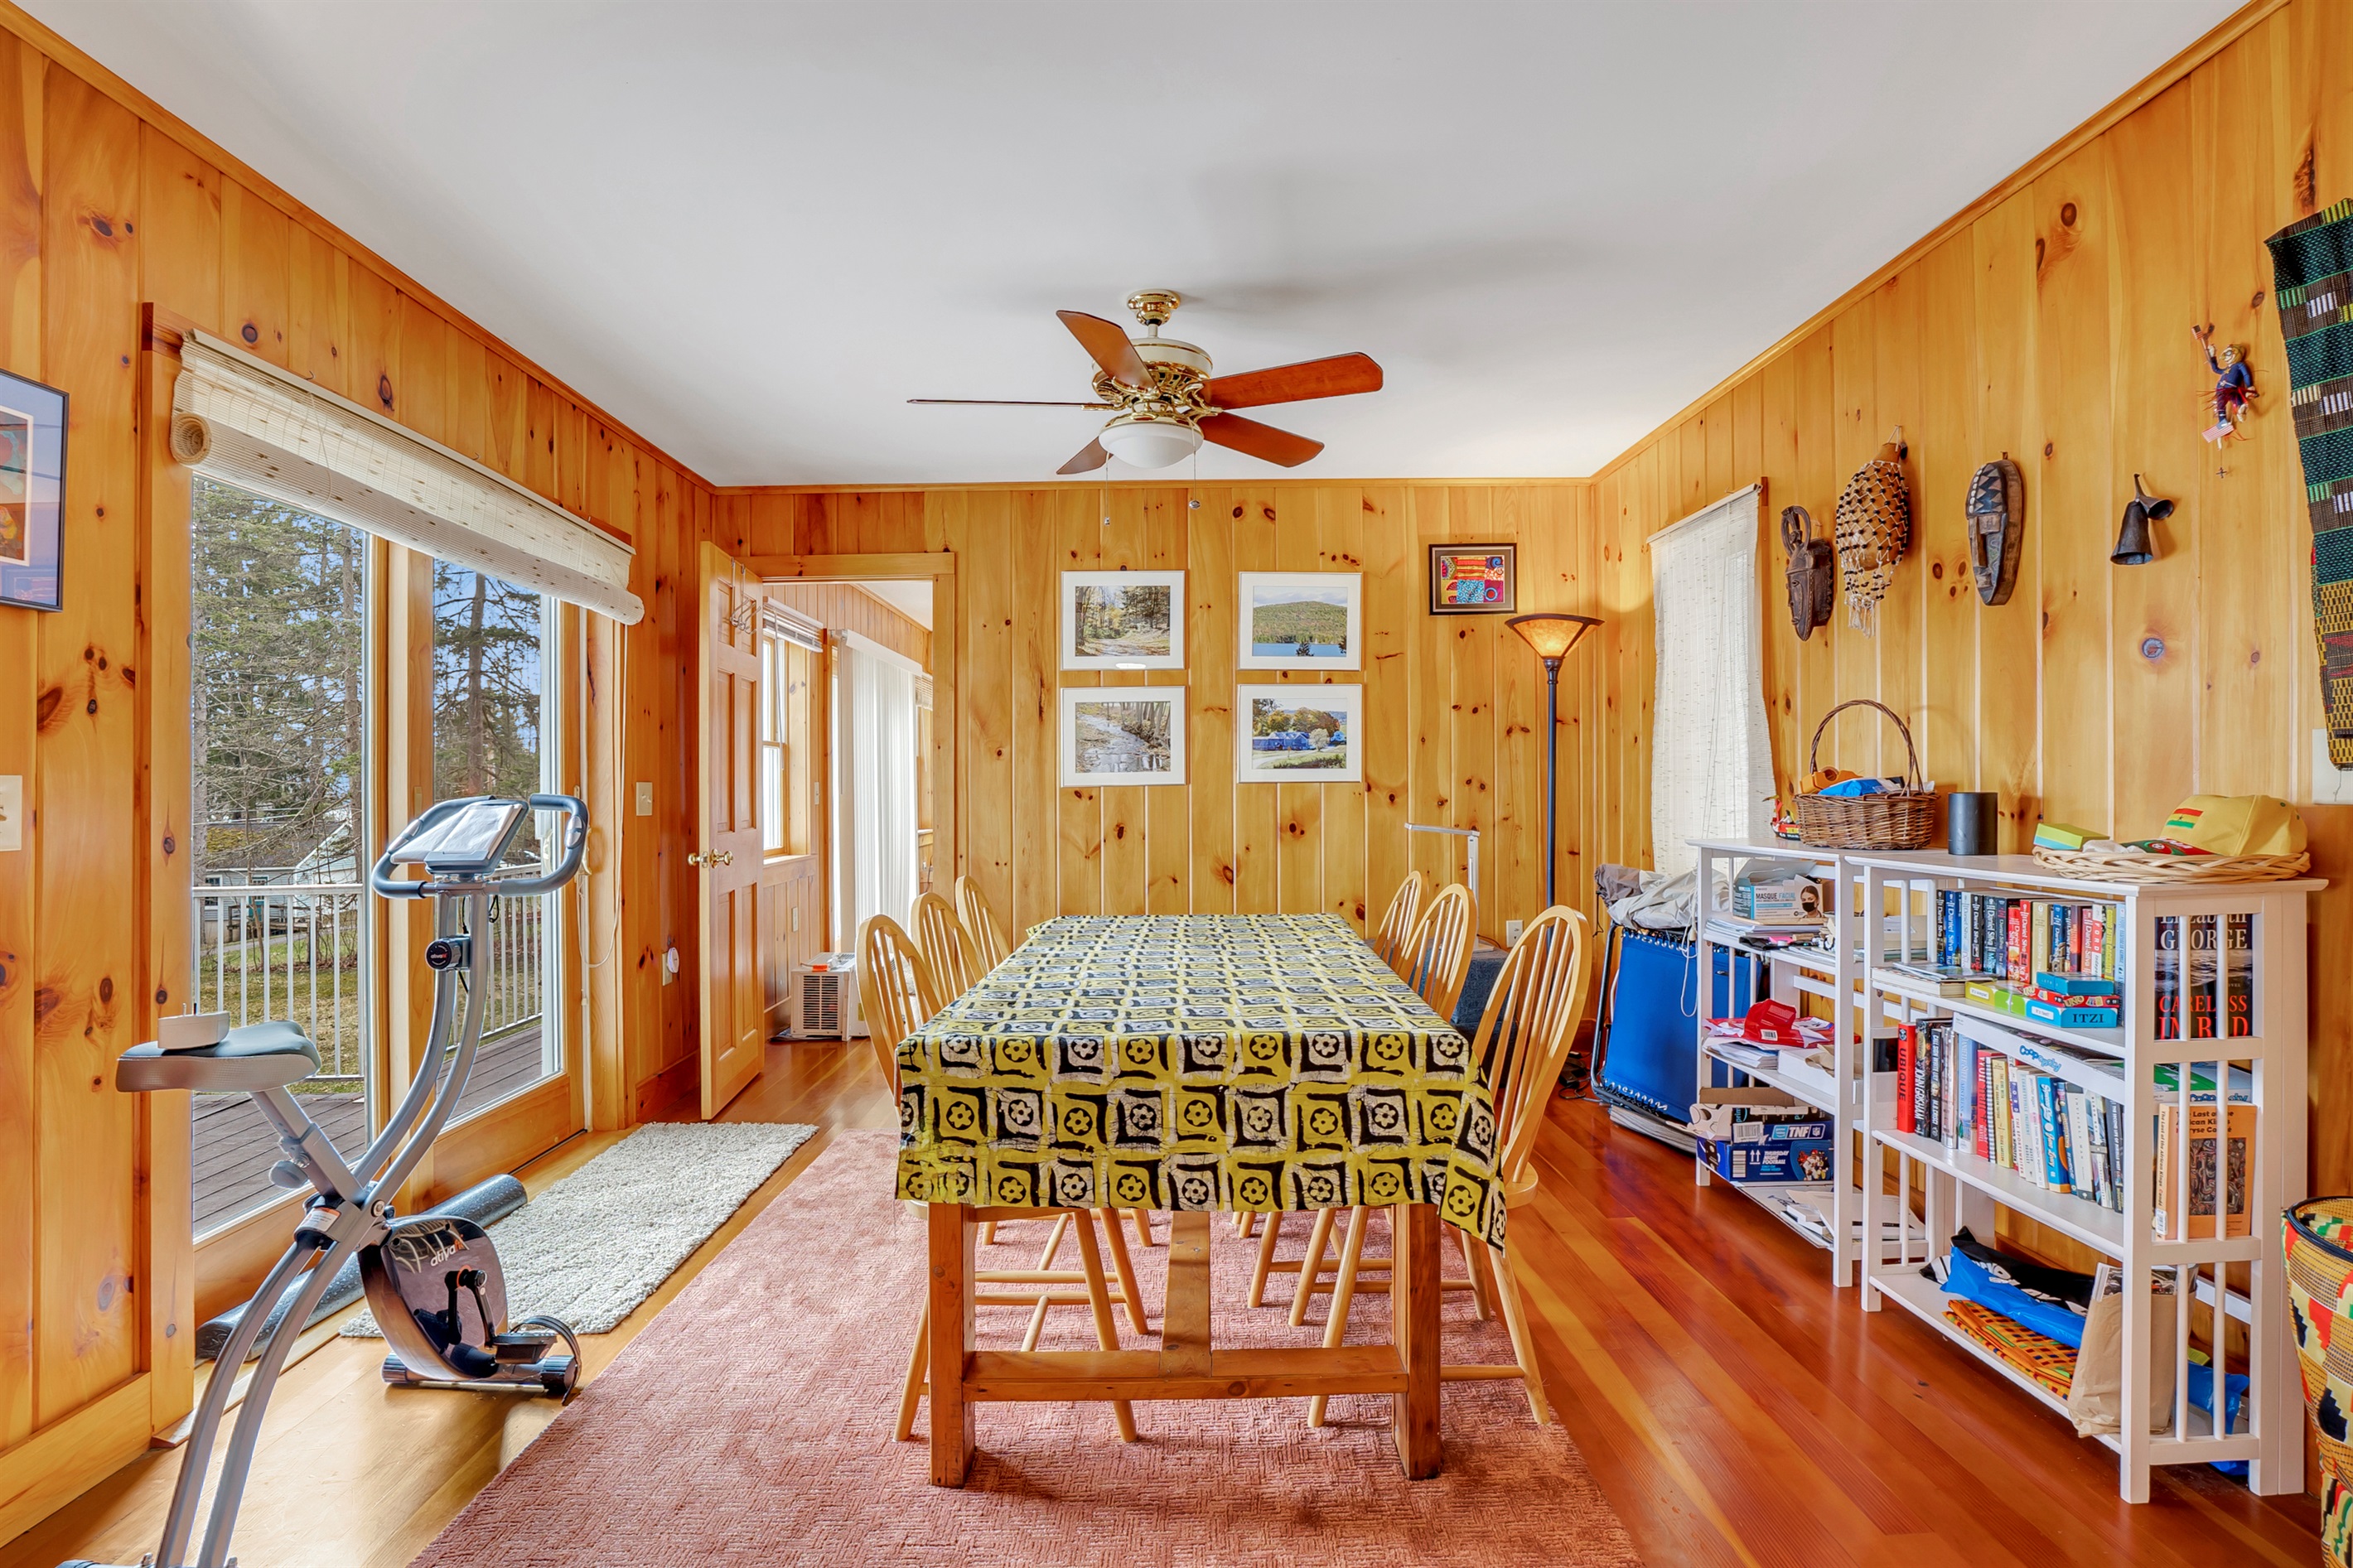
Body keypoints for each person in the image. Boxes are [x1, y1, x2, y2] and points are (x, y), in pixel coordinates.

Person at [2194, 322, 2256, 444]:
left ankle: (2242, 408)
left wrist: (2249, 386)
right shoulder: (2227, 369)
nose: (2225, 357)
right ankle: (2223, 424)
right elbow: (2216, 369)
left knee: (2233, 400)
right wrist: (2212, 357)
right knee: (2220, 406)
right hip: (2221, 390)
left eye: (2228, 353)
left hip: (2230, 389)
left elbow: (2246, 375)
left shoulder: (2239, 365)